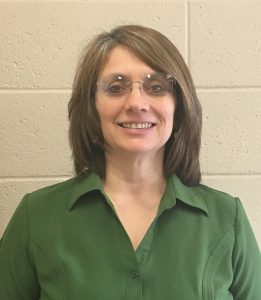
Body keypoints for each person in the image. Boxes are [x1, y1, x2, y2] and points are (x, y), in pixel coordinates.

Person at [0, 24, 260, 300]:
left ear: (179, 105)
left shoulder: (226, 218)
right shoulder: (37, 217)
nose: (137, 102)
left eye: (156, 87)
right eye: (116, 87)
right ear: (92, 107)